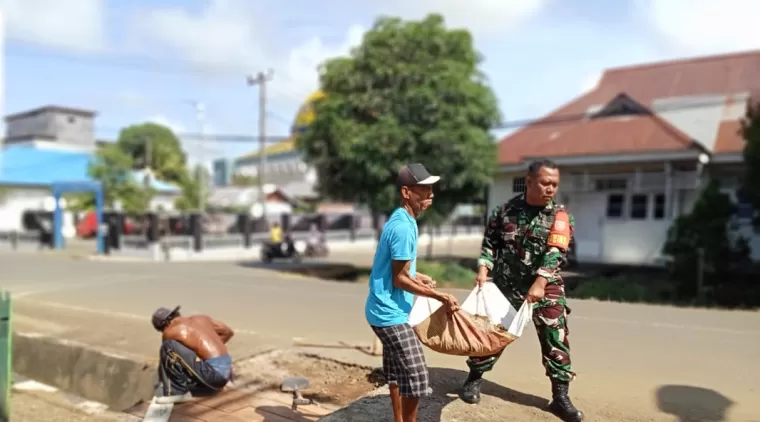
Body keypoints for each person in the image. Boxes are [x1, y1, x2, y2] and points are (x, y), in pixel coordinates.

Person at [460, 159, 584, 422]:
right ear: (529, 182)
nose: (551, 189)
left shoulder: (560, 216)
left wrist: (540, 283)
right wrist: (484, 267)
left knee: (556, 340)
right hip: (507, 287)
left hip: (546, 289)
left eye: (555, 184)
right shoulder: (504, 211)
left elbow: (555, 254)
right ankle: (473, 379)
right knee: (491, 338)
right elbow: (490, 243)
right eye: (545, 183)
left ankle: (560, 397)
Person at [365, 163, 460, 422]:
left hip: (383, 308)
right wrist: (440, 296)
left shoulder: (402, 218)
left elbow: (394, 268)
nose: (430, 195)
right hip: (389, 314)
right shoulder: (403, 227)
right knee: (417, 376)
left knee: (397, 372)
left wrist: (419, 276)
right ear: (407, 192)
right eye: (424, 190)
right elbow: (399, 279)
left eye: (431, 189)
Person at [151, 306, 235, 404]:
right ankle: (222, 380)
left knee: (168, 346)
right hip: (227, 372)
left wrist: (162, 381)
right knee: (195, 351)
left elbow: (168, 360)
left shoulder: (169, 332)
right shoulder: (202, 318)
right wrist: (211, 346)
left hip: (215, 378)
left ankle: (176, 392)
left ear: (163, 325)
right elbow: (228, 332)